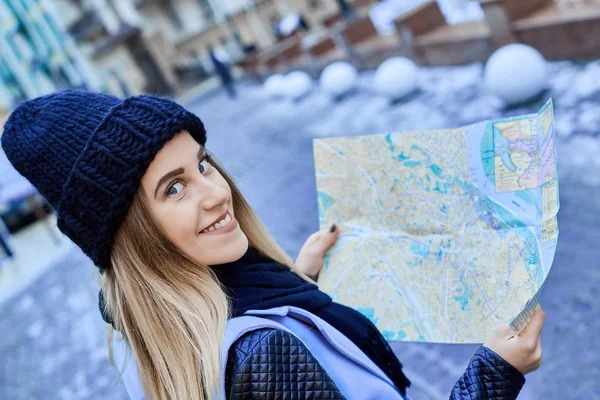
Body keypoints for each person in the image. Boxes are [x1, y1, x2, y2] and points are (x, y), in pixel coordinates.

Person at [1, 90, 545, 400]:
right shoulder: (264, 355)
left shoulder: (149, 328)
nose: (216, 193)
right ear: (131, 238)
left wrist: (299, 281)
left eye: (202, 163)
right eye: (173, 188)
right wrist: (497, 371)